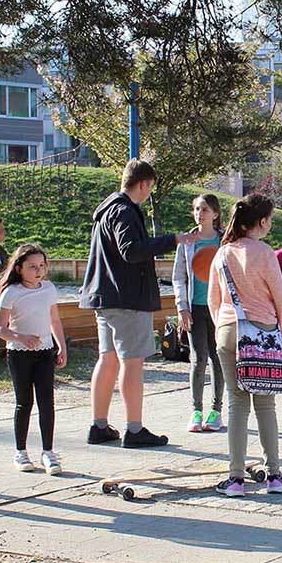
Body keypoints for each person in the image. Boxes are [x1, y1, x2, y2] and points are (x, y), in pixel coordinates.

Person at [80, 159, 199, 448]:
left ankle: (99, 426)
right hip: (127, 299)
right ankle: (134, 430)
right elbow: (131, 251)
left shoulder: (107, 209)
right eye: (150, 188)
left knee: (107, 358)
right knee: (132, 362)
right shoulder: (124, 211)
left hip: (104, 297)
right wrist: (174, 240)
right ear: (144, 183)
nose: (149, 194)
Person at [208, 194, 282, 497]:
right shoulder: (265, 253)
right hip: (262, 334)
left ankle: (235, 479)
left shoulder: (222, 253)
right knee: (265, 405)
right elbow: (281, 298)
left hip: (229, 332)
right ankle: (273, 476)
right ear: (262, 221)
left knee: (236, 404)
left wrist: (223, 328)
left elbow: (213, 301)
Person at [0, 244, 67, 475]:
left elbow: (54, 320)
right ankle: (21, 451)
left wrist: (61, 346)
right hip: (19, 353)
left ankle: (48, 451)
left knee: (47, 401)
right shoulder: (12, 292)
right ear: (19, 268)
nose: (38, 271)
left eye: (42, 266)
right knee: (24, 402)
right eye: (32, 266)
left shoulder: (49, 289)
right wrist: (20, 337)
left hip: (45, 351)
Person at [172, 193, 226, 434]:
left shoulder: (225, 241)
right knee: (198, 359)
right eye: (196, 209)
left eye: (204, 209)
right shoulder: (187, 242)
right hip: (195, 307)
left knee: (219, 358)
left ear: (215, 213)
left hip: (219, 309)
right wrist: (182, 306)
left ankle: (216, 411)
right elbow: (179, 277)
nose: (199, 213)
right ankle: (196, 410)